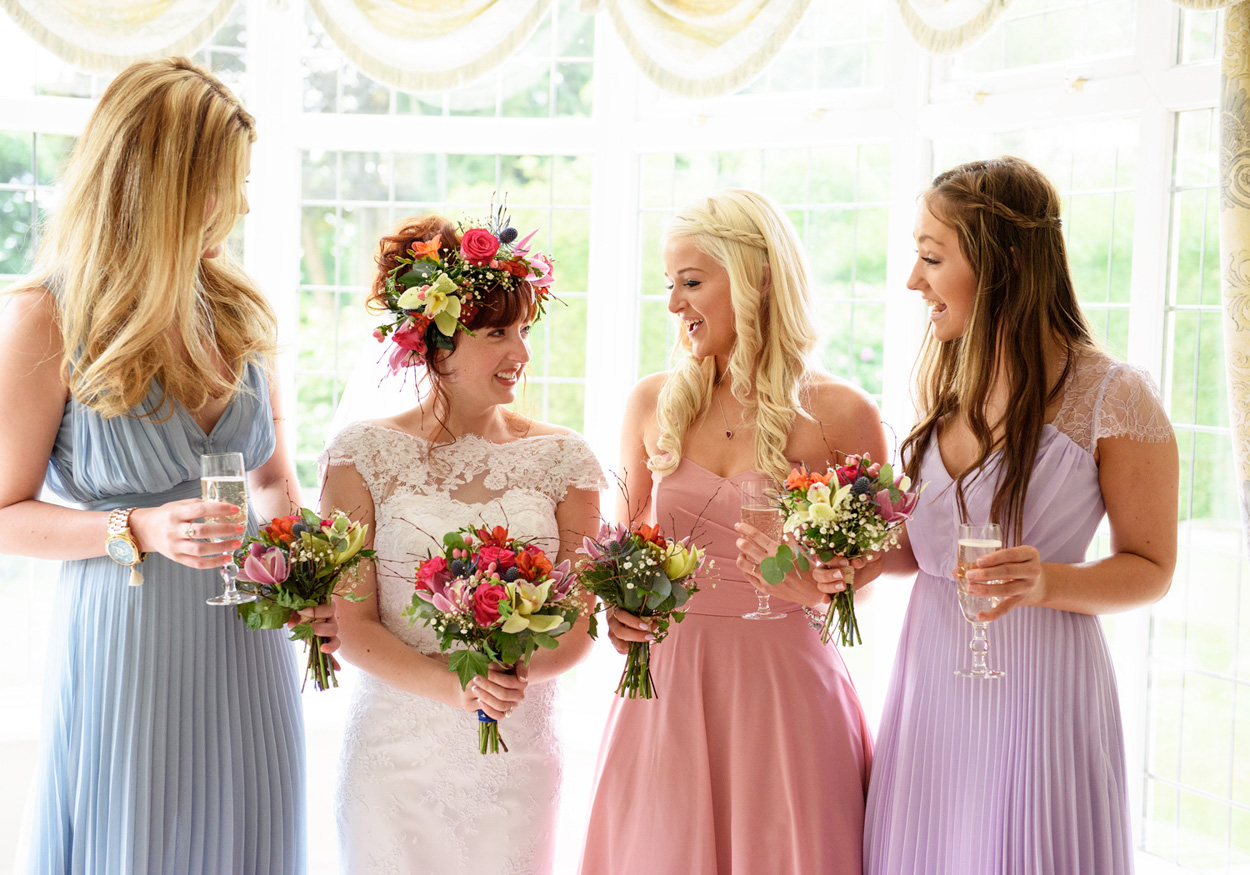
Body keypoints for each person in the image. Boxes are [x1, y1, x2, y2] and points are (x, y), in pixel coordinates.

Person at [0, 58, 334, 874]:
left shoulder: (240, 308)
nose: (245, 205)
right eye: (229, 183)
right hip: (131, 644)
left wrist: (308, 578)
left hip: (249, 640)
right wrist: (139, 527)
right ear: (165, 184)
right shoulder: (48, 317)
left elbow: (272, 480)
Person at [863, 156, 1178, 874]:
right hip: (931, 690)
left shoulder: (1113, 396)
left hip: (1041, 693)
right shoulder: (946, 377)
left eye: (932, 258)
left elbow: (1153, 567)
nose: (913, 280)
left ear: (1004, 263)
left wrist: (1046, 582)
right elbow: (925, 548)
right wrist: (848, 557)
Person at [579, 188, 883, 874]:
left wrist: (822, 586)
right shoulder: (651, 401)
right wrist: (617, 609)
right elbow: (623, 546)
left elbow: (868, 575)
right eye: (669, 283)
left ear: (757, 279)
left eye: (690, 282)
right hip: (668, 683)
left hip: (786, 688)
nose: (673, 304)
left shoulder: (842, 412)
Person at [321, 212, 604, 874]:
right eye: (497, 332)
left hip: (517, 755)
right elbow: (351, 623)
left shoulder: (567, 460)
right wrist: (457, 688)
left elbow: (580, 622)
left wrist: (506, 679)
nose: (521, 353)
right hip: (395, 758)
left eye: (524, 330)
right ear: (436, 339)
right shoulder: (360, 455)